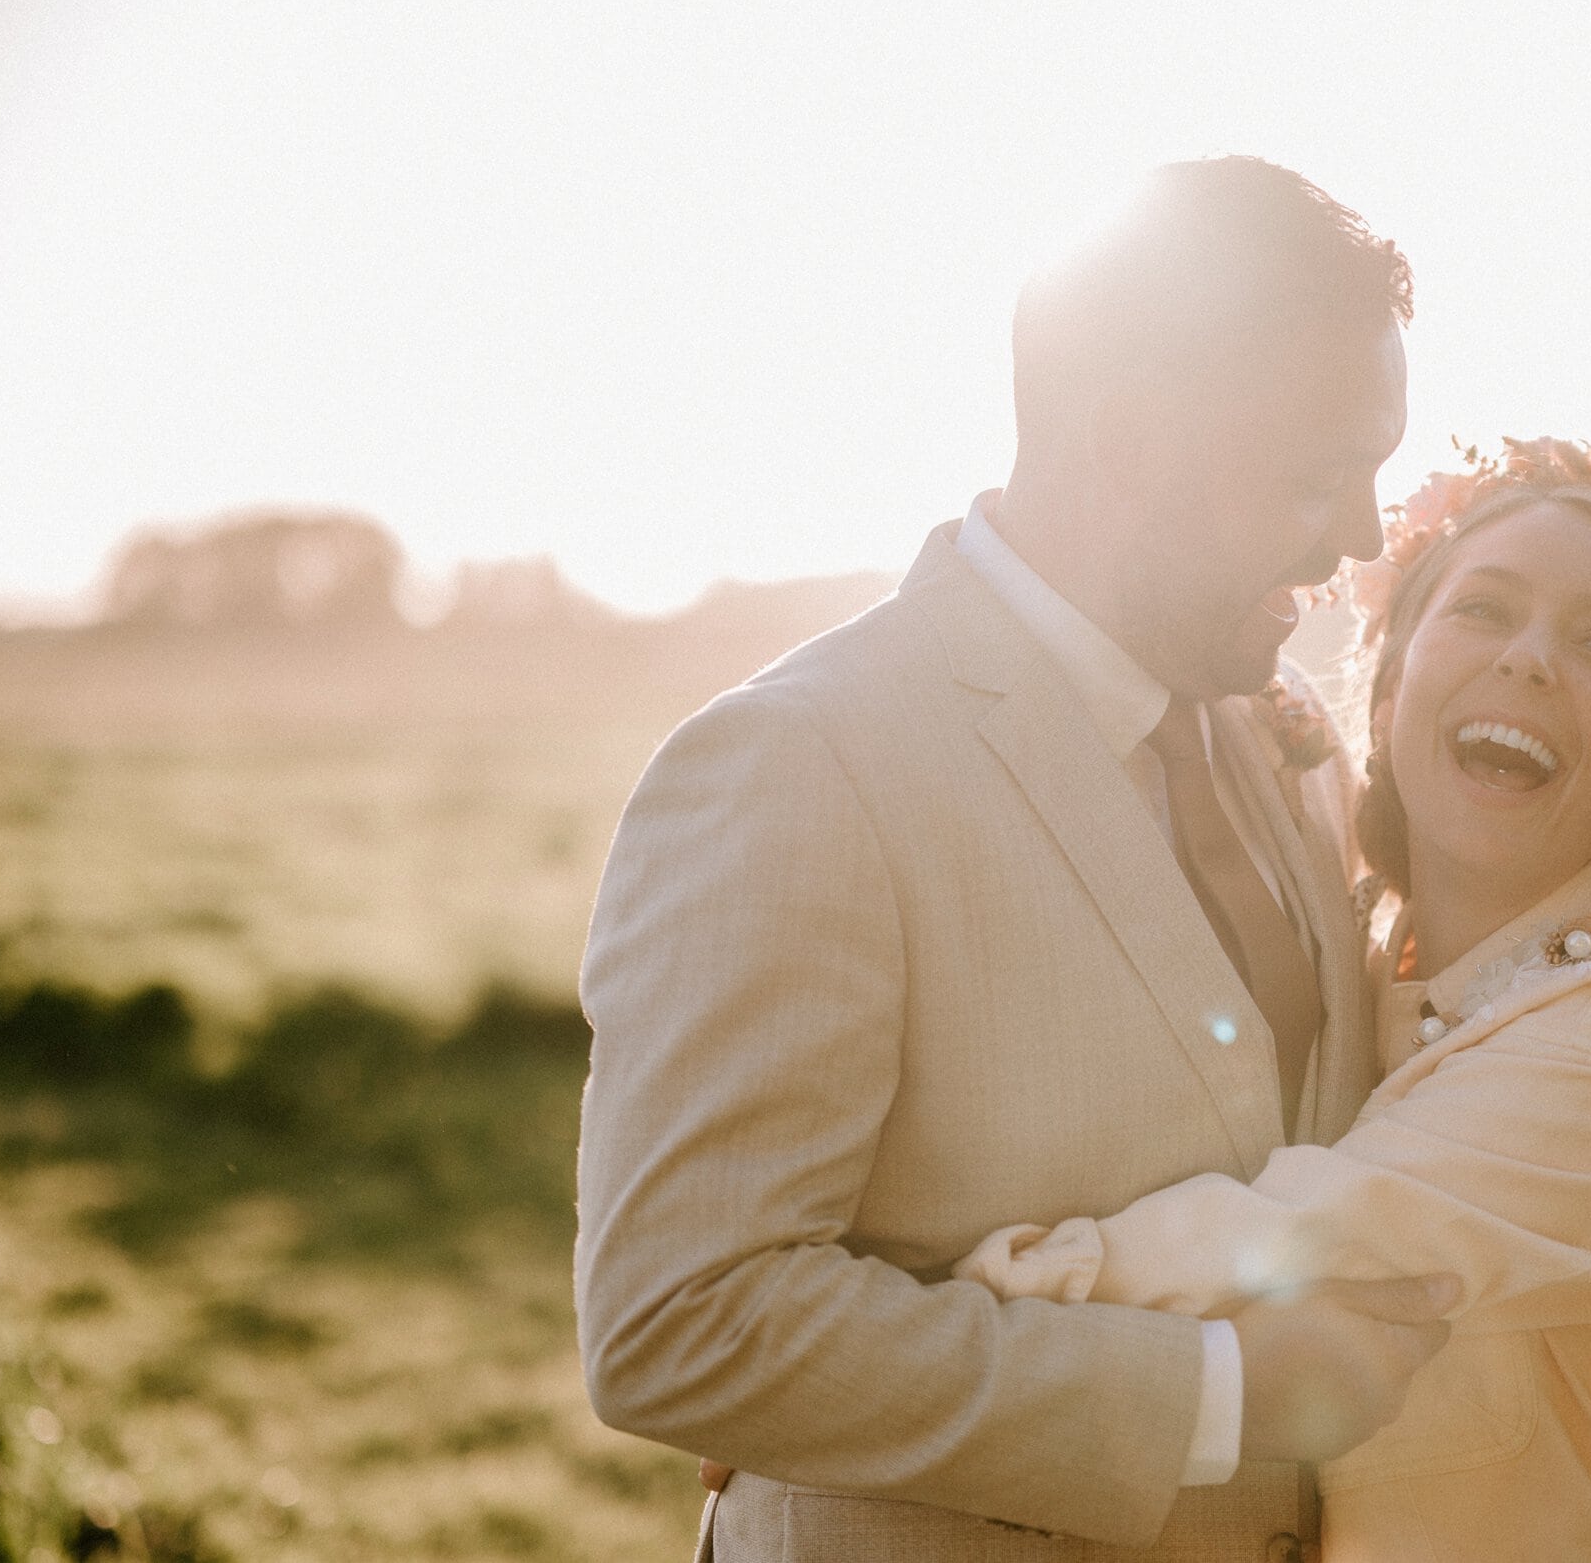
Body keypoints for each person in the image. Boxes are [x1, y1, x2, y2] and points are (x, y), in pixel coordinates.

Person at [575, 157, 1456, 1561]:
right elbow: (682, 1320)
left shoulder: (1275, 734)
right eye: (1315, 476)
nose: (1358, 540)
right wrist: (1215, 1397)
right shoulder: (800, 766)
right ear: (1128, 443)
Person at [957, 437, 1591, 1560]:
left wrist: (878, 1360)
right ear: (1389, 683)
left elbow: (1285, 1236)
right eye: (1484, 609)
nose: (1530, 660)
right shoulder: (1381, 965)